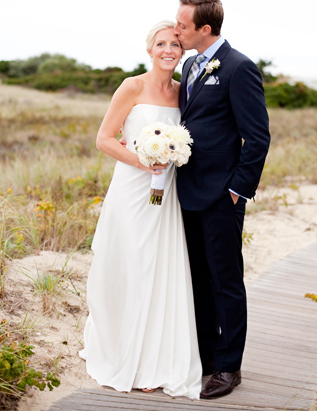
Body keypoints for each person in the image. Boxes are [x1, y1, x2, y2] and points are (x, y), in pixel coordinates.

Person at [79, 21, 202, 399]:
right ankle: (122, 351)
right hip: (133, 191)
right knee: (132, 264)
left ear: (183, 52)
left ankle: (155, 360)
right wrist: (142, 159)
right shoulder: (131, 86)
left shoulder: (184, 93)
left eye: (175, 44)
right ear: (150, 49)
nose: (169, 50)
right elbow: (103, 139)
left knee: (160, 267)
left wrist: (171, 157)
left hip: (166, 196)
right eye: (161, 44)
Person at [174, 0, 270, 398]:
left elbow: (258, 137)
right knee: (197, 277)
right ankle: (209, 355)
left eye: (182, 25)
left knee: (225, 280)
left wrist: (236, 191)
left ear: (204, 29)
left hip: (221, 196)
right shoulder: (192, 63)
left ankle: (230, 367)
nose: (176, 30)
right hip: (186, 191)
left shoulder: (238, 67)